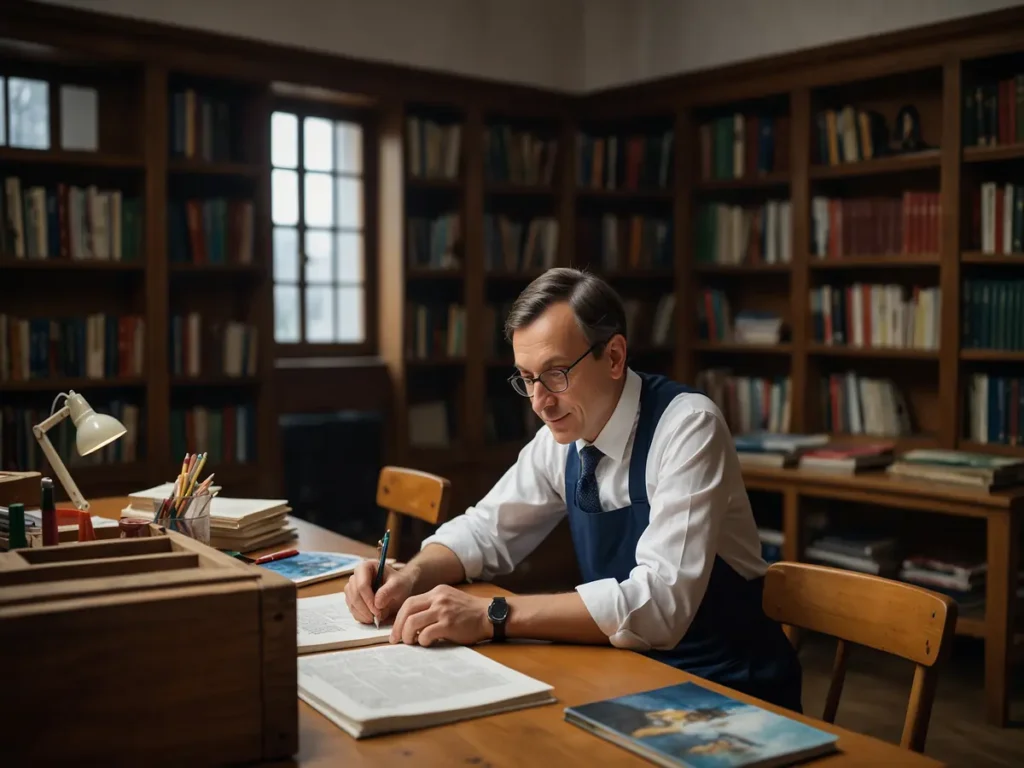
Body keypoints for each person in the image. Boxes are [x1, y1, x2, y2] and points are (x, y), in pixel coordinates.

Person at [344, 267, 803, 712]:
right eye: (527, 379)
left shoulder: (689, 427)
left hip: (730, 689)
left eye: (556, 373)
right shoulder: (562, 438)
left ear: (615, 357)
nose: (540, 402)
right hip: (629, 672)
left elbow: (660, 606)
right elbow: (484, 530)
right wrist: (411, 576)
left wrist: (491, 615)